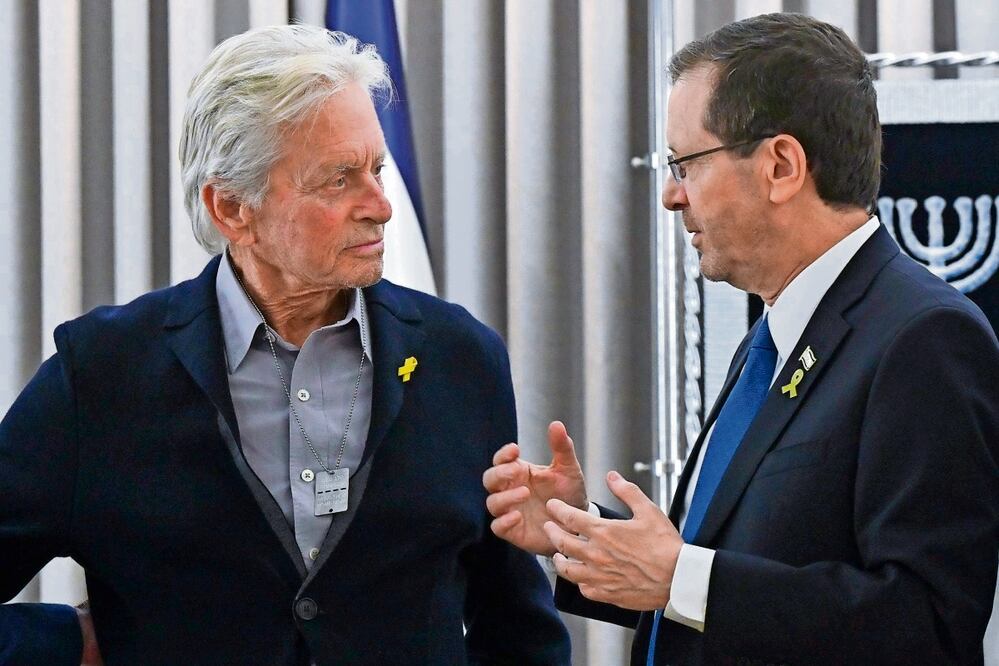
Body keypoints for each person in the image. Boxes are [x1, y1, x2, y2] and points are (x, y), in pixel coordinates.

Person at [0, 24, 569, 666]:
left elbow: (517, 628)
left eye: (377, 168)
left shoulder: (461, 357)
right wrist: (53, 643)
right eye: (338, 180)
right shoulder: (102, 374)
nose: (380, 206)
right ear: (232, 210)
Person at [484, 12, 999, 666]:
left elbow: (924, 624)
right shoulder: (774, 334)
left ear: (780, 165)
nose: (671, 196)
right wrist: (580, 535)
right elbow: (738, 567)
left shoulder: (923, 337)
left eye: (686, 163)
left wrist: (677, 578)